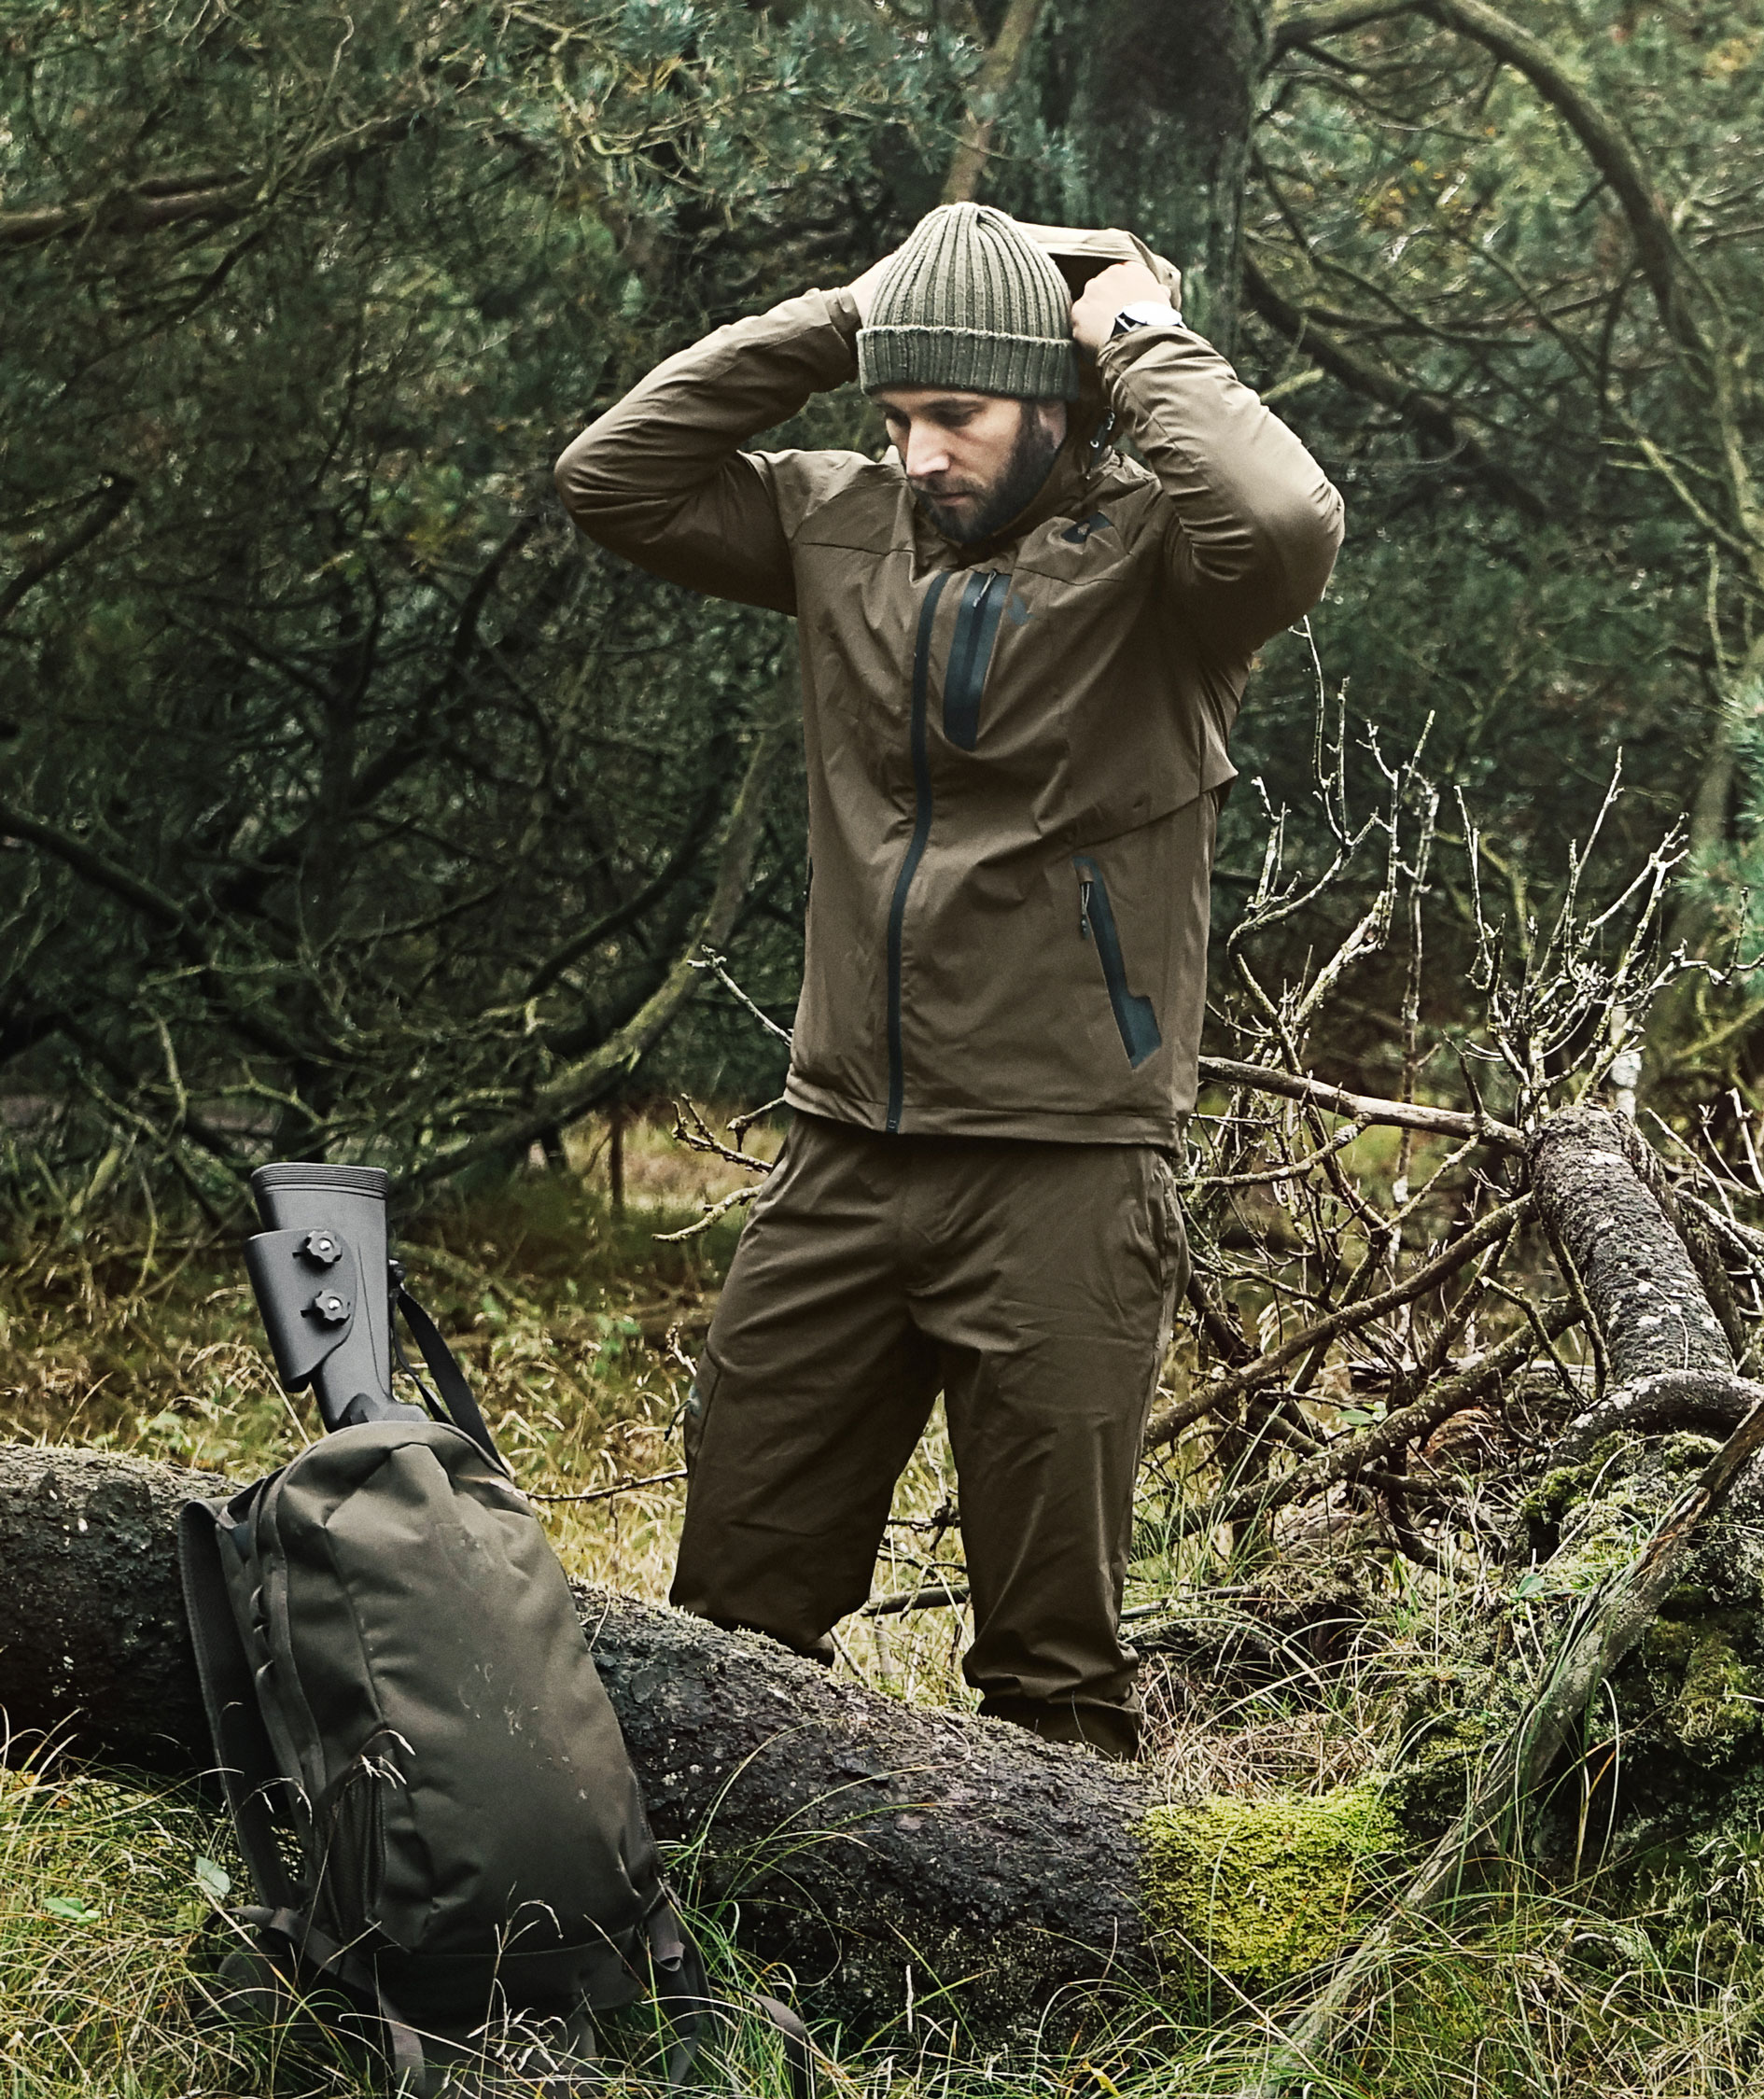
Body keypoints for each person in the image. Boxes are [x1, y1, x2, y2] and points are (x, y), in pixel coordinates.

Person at [555, 203, 1343, 1758]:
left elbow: (1287, 517)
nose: (917, 451)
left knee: (1052, 1666)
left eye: (956, 413)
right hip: (842, 1154)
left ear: (1050, 402)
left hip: (1061, 1166)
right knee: (729, 1608)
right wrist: (853, 311)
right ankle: (723, 1937)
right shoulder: (835, 525)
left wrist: (1130, 326)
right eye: (897, 416)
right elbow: (612, 475)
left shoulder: (1163, 569)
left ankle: (1068, 1981)